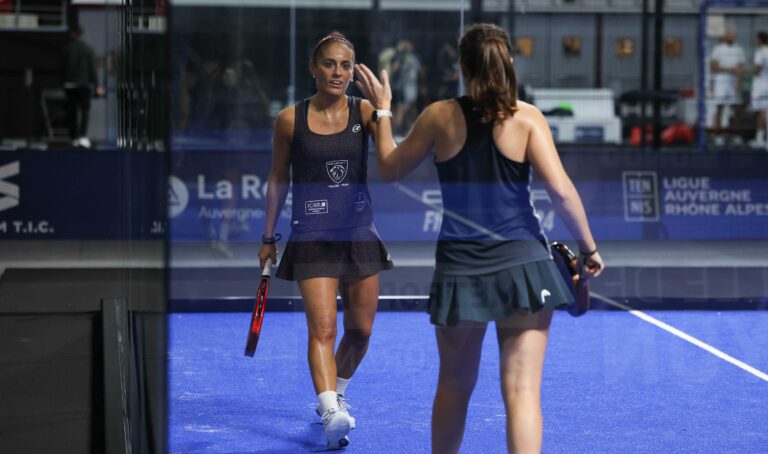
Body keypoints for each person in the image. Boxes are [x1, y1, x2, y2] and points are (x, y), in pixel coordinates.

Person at [354, 23, 604, 453]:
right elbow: (561, 192)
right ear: (508, 62)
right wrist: (589, 248)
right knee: (522, 392)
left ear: (462, 66)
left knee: (454, 385)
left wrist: (383, 111)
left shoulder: (439, 116)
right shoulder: (528, 118)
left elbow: (390, 168)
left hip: (461, 272)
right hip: (525, 269)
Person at [259, 32, 393, 450]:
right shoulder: (289, 119)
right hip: (312, 236)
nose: (338, 72)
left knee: (361, 332)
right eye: (330, 64)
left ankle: (337, 393)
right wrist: (268, 236)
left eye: (346, 65)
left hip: (359, 233)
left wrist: (385, 110)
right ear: (313, 69)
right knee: (323, 328)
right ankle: (330, 410)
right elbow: (278, 178)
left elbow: (390, 159)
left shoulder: (365, 111)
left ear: (353, 71)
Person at [61, 24, 104, 148]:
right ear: (82, 34)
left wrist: (63, 81)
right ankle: (82, 136)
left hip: (70, 84)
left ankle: (73, 137)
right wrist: (97, 85)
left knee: (72, 111)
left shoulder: (67, 49)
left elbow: (61, 67)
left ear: (72, 34)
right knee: (85, 110)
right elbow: (93, 69)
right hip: (85, 85)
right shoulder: (88, 49)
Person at [709, 28, 746, 146]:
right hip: (721, 83)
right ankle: (717, 135)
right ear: (726, 36)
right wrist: (730, 70)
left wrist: (739, 82)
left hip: (733, 83)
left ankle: (736, 135)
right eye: (730, 34)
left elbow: (741, 68)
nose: (732, 37)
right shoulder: (717, 49)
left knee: (737, 110)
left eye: (734, 35)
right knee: (719, 108)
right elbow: (713, 67)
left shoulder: (739, 49)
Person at [749, 31, 768, 148]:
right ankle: (762, 139)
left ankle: (761, 139)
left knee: (762, 112)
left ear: (760, 40)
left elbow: (758, 70)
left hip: (761, 86)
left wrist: (749, 71)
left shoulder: (760, 52)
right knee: (765, 112)